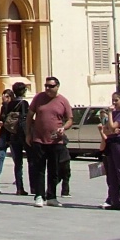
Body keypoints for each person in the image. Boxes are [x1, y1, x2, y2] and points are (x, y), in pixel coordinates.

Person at [26, 76, 73, 208]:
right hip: (39, 139)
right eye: (46, 86)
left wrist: (63, 128)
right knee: (39, 168)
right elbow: (30, 116)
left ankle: (52, 196)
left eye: (51, 86)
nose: (47, 88)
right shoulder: (38, 98)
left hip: (55, 141)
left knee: (54, 169)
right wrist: (28, 133)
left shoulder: (63, 101)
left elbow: (70, 119)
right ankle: (39, 196)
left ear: (57, 87)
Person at [6, 81, 30, 196]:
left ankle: (19, 188)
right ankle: (34, 187)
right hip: (24, 134)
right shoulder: (24, 103)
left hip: (13, 134)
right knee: (31, 161)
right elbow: (28, 118)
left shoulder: (9, 104)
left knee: (18, 163)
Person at [0, 88, 14, 180]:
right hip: (3, 133)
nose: (4, 98)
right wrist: (0, 122)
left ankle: (18, 178)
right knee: (0, 155)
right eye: (3, 96)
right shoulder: (3, 107)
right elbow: (0, 119)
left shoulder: (14, 106)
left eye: (6, 96)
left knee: (15, 157)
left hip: (12, 134)